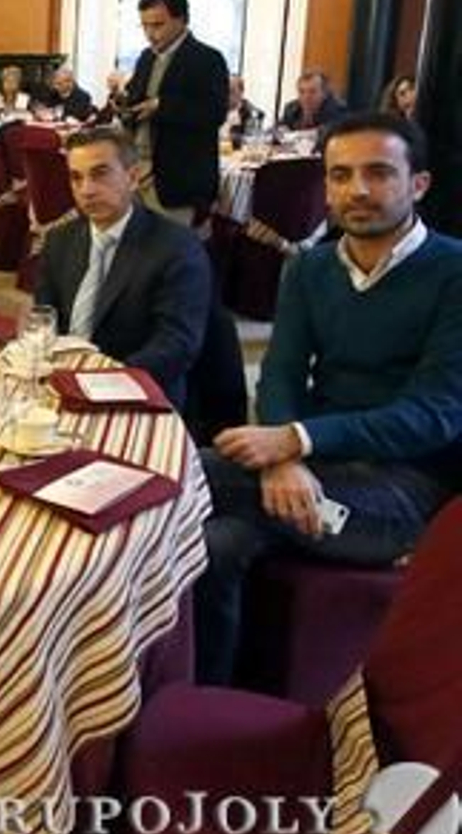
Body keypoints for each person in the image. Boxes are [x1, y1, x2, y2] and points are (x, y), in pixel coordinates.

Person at [195, 113, 462, 686]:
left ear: (419, 184)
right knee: (215, 544)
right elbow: (281, 376)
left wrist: (295, 440)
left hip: (408, 495)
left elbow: (433, 415)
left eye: (379, 173)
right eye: (340, 175)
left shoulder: (454, 273)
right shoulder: (312, 268)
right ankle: (217, 706)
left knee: (182, 474)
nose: (357, 190)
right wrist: (284, 459)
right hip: (314, 468)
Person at [33, 127, 211, 408]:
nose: (86, 190)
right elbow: (43, 317)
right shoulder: (59, 240)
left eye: (100, 174)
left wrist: (99, 382)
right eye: (76, 178)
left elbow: (176, 345)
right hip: (62, 386)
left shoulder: (177, 247)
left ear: (133, 177)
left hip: (138, 394)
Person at [119, 0, 230, 224]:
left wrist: (162, 106)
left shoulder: (207, 59)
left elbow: (214, 113)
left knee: (173, 256)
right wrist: (123, 105)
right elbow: (135, 102)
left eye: (157, 25)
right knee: (136, 254)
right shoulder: (146, 57)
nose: (149, 34)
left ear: (181, 20)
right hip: (137, 173)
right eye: (145, 26)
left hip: (178, 180)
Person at [279, 70, 346, 132]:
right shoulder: (291, 109)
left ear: (324, 93)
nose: (306, 97)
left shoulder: (336, 112)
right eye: (302, 92)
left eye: (312, 92)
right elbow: (276, 130)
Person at [224, 74, 265, 145]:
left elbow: (250, 139)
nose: (226, 95)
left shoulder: (252, 113)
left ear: (241, 92)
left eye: (231, 91)